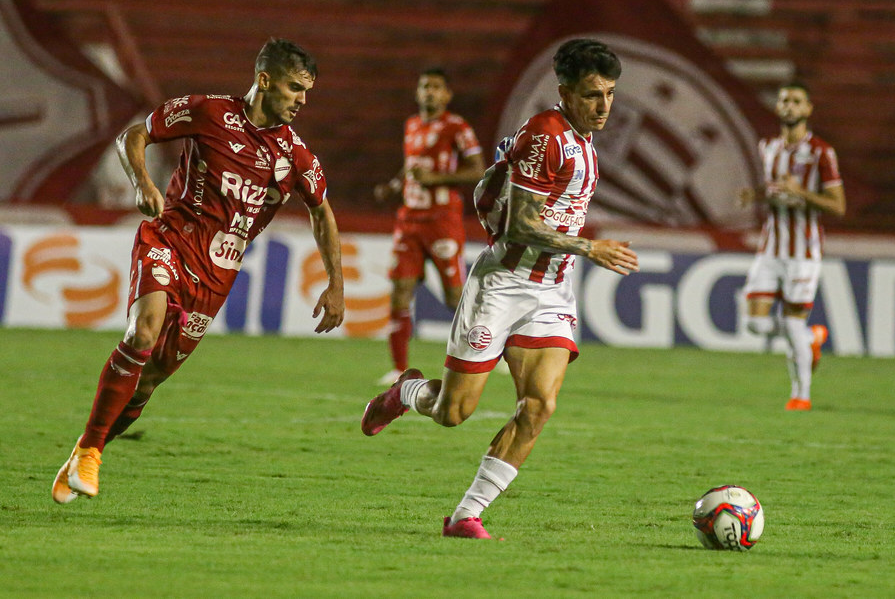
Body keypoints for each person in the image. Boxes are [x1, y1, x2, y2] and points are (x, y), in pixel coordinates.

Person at [360, 38, 639, 539]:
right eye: (593, 95)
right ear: (565, 91)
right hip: (504, 284)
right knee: (453, 412)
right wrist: (589, 247)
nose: (604, 106)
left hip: (551, 291)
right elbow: (519, 226)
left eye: (611, 94)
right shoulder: (545, 136)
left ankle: (467, 515)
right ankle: (405, 390)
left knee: (540, 405)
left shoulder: (583, 139)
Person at [52, 38, 347, 504]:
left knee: (149, 380)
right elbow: (136, 134)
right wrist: (142, 181)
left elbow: (321, 212)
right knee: (142, 333)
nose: (302, 100)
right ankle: (90, 450)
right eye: (295, 88)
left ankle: (86, 452)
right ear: (265, 81)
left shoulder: (295, 156)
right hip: (169, 239)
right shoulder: (209, 112)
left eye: (307, 91)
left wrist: (336, 283)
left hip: (216, 275)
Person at [373, 68, 485, 386]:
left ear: (447, 95)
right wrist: (394, 186)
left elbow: (477, 170)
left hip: (442, 221)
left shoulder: (456, 127)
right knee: (400, 292)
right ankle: (399, 368)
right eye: (425, 87)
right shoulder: (411, 125)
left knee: (453, 296)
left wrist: (436, 179)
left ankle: (487, 349)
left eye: (436, 87)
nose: (430, 92)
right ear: (417, 92)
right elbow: (412, 165)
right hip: (409, 220)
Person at [738, 80, 845, 411]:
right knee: (756, 323)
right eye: (784, 101)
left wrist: (802, 194)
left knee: (792, 323)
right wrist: (754, 196)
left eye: (797, 101)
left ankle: (801, 395)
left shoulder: (821, 152)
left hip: (804, 253)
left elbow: (838, 206)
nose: (789, 106)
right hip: (770, 248)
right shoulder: (767, 147)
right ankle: (811, 340)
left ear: (808, 109)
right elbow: (775, 188)